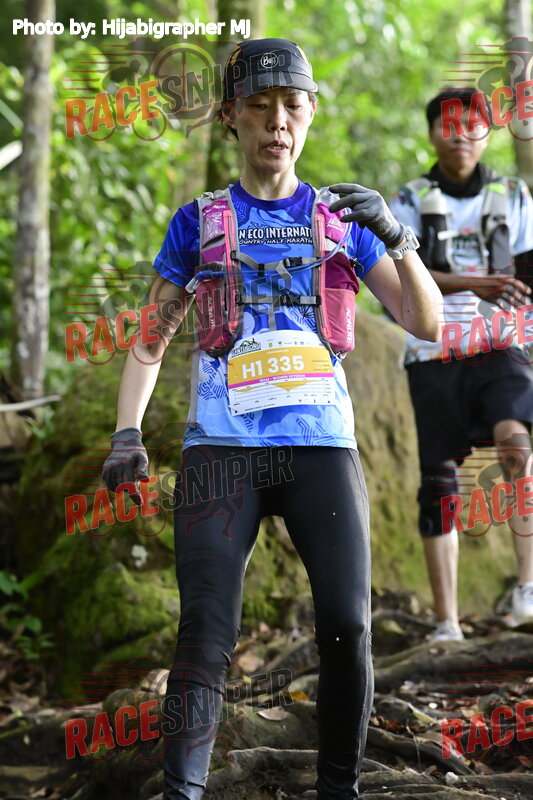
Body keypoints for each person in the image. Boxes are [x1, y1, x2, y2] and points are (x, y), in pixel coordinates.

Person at [102, 39, 442, 800]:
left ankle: (338, 789)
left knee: (348, 627)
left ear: (310, 112)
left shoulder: (342, 219)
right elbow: (152, 337)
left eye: (291, 106)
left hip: (321, 447)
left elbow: (425, 322)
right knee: (205, 631)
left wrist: (396, 236)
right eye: (258, 107)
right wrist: (127, 432)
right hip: (220, 450)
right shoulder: (199, 221)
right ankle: (183, 792)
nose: (276, 122)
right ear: (231, 117)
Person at [390, 87, 533, 643]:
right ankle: (447, 622)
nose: (461, 136)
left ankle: (526, 590)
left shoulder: (514, 194)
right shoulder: (407, 199)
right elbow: (402, 275)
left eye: (473, 125)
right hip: (434, 348)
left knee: (517, 445)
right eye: (448, 125)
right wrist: (478, 283)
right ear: (432, 134)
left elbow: (527, 270)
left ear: (487, 134)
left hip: (501, 342)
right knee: (440, 478)